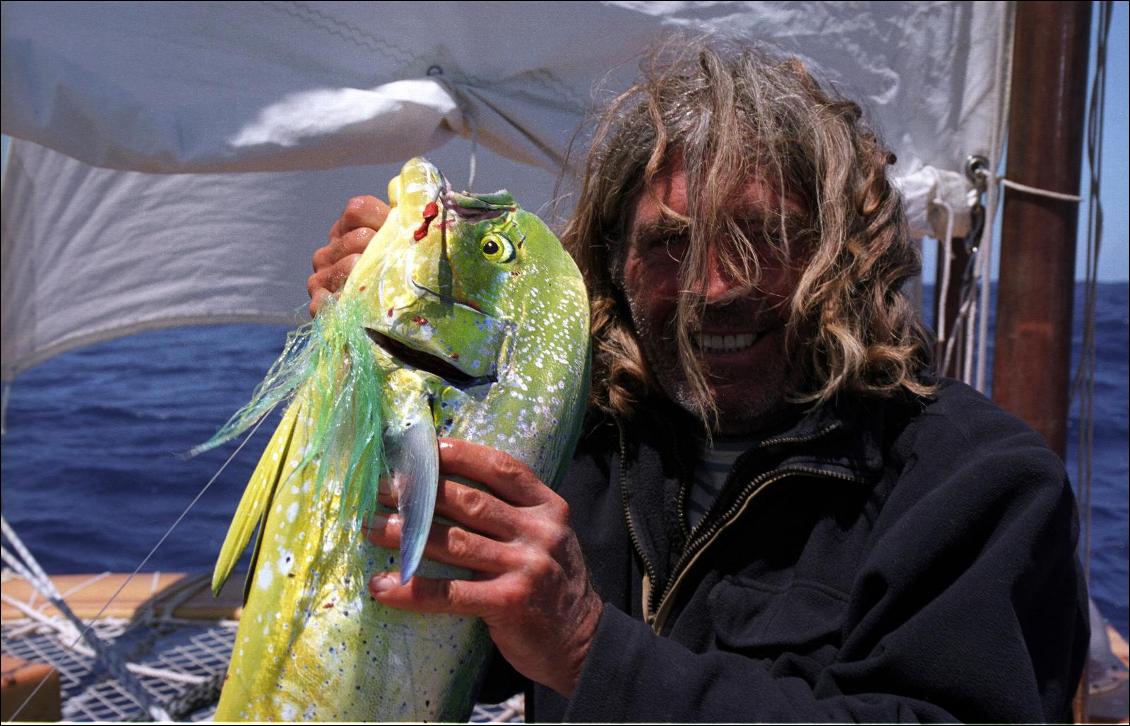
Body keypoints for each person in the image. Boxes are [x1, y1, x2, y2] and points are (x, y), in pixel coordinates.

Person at [307, 38, 1088, 722]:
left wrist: (587, 648)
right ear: (614, 260)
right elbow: (433, 635)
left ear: (844, 254)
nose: (714, 287)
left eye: (764, 234)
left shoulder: (980, 483)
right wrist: (371, 357)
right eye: (672, 243)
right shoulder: (589, 434)